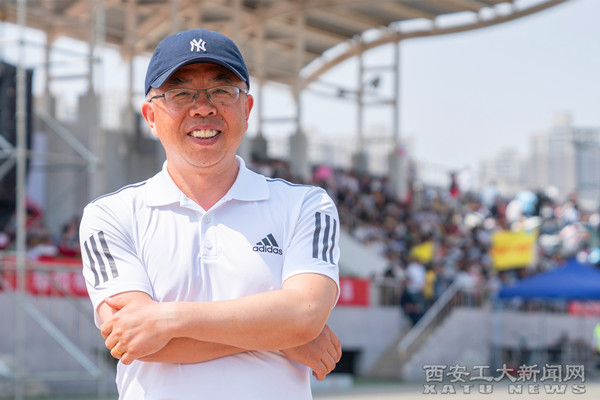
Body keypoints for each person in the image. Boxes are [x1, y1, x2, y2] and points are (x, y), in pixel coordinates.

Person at [79, 28, 341, 399]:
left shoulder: (306, 205)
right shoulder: (111, 215)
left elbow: (305, 314)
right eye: (180, 93)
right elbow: (134, 339)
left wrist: (168, 318)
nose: (203, 107)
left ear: (246, 109)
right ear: (150, 116)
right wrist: (282, 337)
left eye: (222, 91)